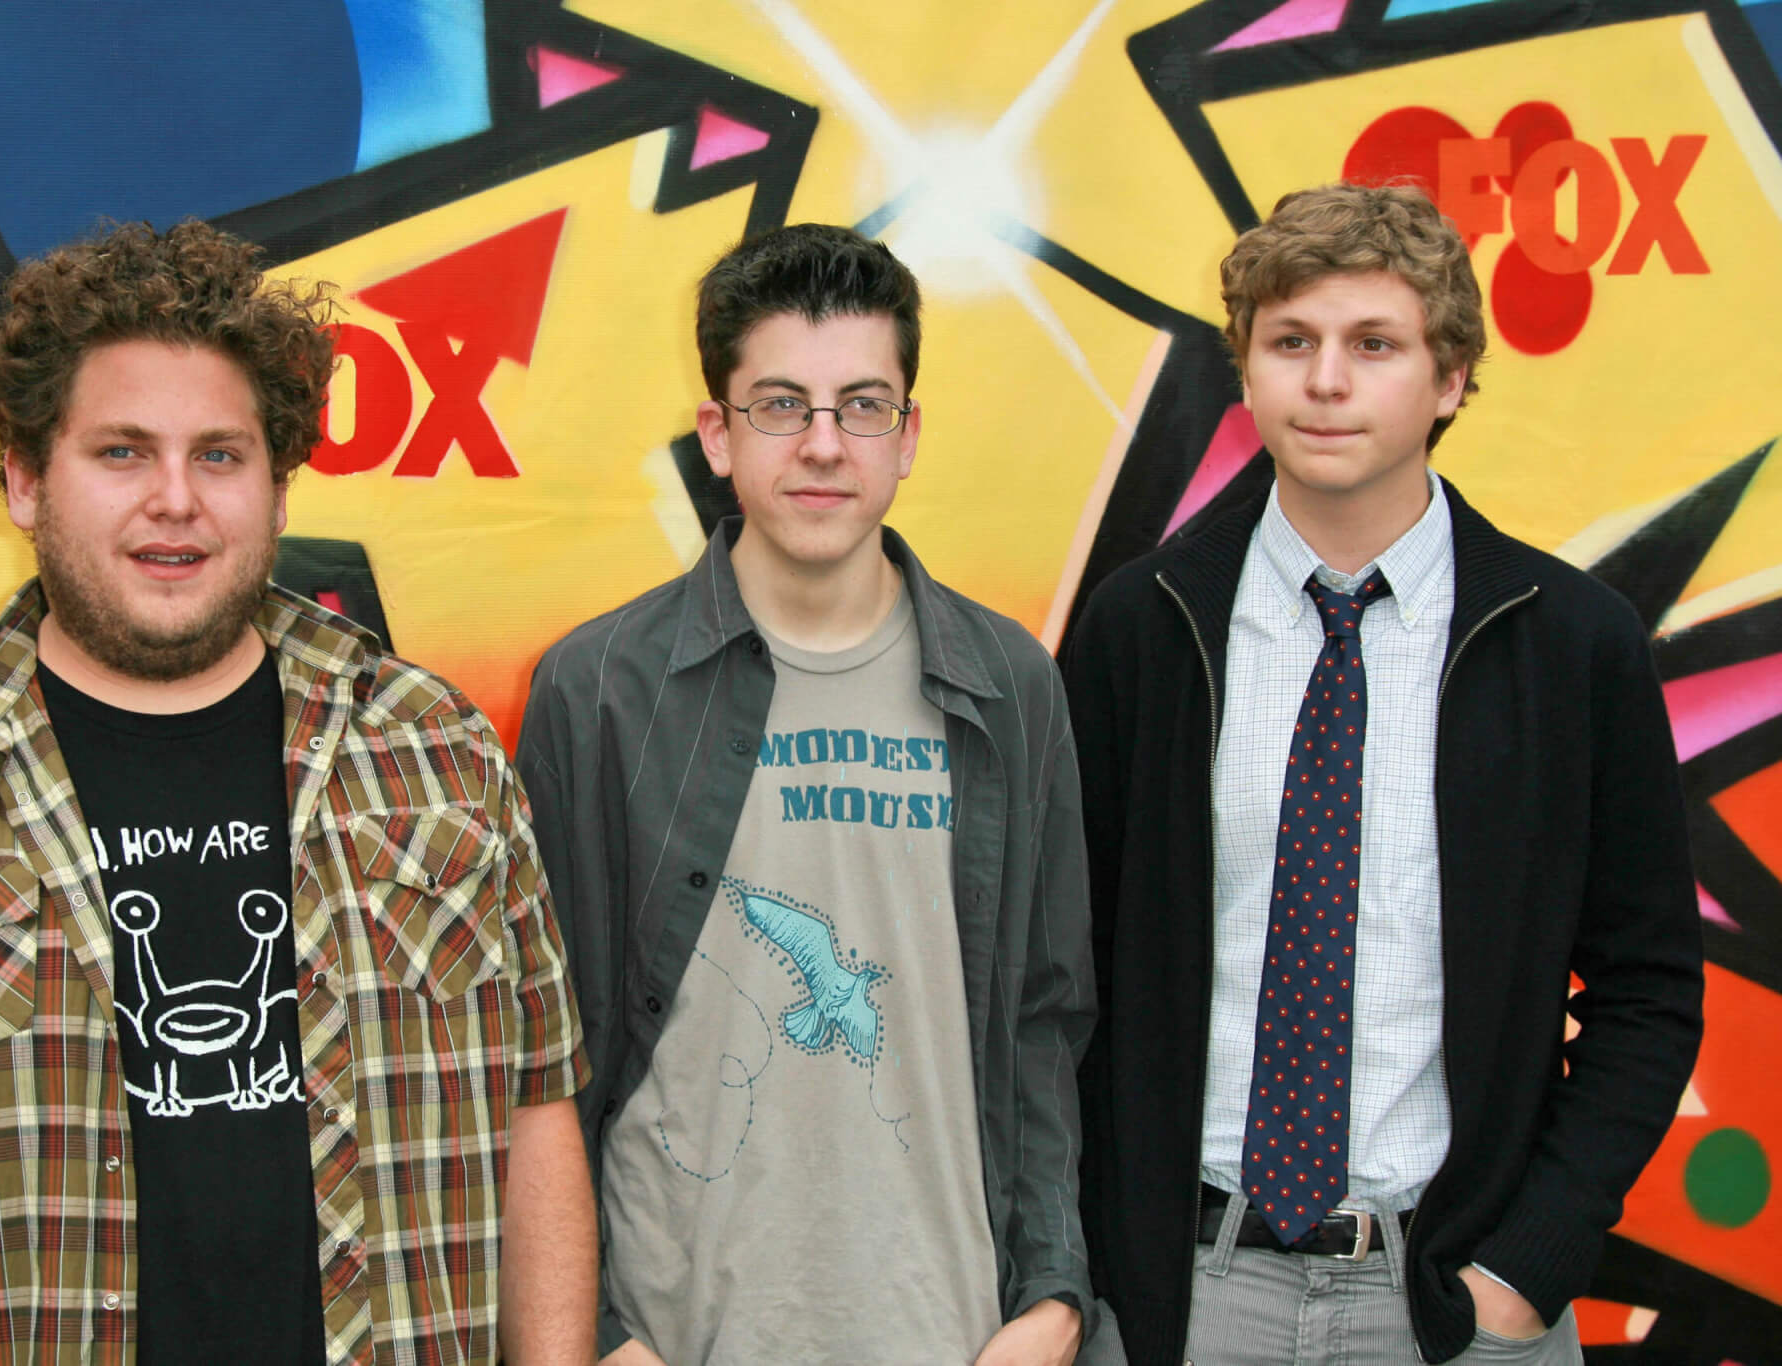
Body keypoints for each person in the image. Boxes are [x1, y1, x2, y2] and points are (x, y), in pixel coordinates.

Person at [0, 219, 596, 1366]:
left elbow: (534, 1112)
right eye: (122, 452)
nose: (175, 499)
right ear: (25, 480)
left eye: (220, 455)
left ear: (278, 491)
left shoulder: (434, 751)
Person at [1062, 181, 1704, 1365]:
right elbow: (1059, 976)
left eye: (1372, 344)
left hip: (1453, 1299)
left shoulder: (1569, 643)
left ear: (1448, 378)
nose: (1325, 381)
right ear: (1244, 369)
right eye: (1289, 341)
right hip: (1183, 1295)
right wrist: (1090, 1260)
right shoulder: (1140, 628)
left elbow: (1647, 988)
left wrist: (1525, 1268)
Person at [516, 223, 1095, 1366]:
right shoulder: (599, 689)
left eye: (861, 405)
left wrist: (1052, 1297)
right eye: (780, 405)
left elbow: (1043, 1021)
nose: (823, 444)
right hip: (676, 1339)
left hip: (954, 1335)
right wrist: (597, 1335)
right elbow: (542, 1049)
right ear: (717, 434)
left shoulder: (1010, 684)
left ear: (907, 434)